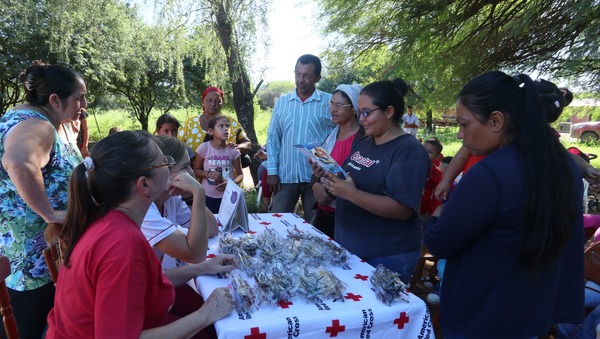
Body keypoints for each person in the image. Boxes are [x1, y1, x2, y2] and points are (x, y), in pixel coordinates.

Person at [424, 72, 584, 338]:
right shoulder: (563, 164)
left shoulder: (491, 173)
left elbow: (441, 243)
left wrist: (437, 216)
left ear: (496, 120)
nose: (461, 134)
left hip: (483, 316)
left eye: (464, 124)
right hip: (532, 313)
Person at [46, 130, 234, 338]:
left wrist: (202, 268)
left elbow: (145, 286)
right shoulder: (123, 244)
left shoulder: (110, 220)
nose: (186, 171)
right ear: (144, 184)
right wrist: (205, 315)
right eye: (164, 161)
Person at [0, 61, 85, 338]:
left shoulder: (29, 119)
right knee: (32, 330)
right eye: (78, 98)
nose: (83, 105)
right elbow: (19, 162)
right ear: (55, 100)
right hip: (33, 260)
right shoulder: (38, 125)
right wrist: (50, 213)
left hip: (26, 254)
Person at [319, 80, 430, 283]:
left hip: (385, 255)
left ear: (389, 112)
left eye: (367, 112)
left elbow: (401, 208)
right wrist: (329, 177)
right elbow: (352, 179)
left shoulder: (408, 150)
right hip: (352, 247)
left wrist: (350, 193)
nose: (362, 119)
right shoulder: (365, 141)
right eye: (360, 112)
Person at [435, 79, 600, 201]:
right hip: (473, 189)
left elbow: (562, 154)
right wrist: (446, 180)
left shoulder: (536, 139)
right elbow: (461, 156)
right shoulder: (487, 136)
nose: (460, 134)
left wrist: (586, 167)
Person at [266, 54, 334, 222]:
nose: (300, 80)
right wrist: (272, 171)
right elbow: (273, 138)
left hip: (317, 177)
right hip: (285, 176)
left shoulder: (329, 103)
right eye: (297, 73)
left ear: (318, 77)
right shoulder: (283, 102)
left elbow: (337, 137)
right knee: (277, 221)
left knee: (316, 225)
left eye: (307, 75)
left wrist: (326, 172)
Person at [310, 84, 363, 239]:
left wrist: (326, 192)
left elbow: (355, 176)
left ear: (353, 109)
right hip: (323, 211)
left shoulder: (362, 139)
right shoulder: (332, 135)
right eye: (331, 104)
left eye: (339, 105)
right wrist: (314, 182)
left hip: (346, 215)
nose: (333, 109)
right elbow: (323, 167)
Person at [178, 86, 252, 164]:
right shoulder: (189, 124)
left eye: (217, 101)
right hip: (194, 174)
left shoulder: (231, 123)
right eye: (209, 100)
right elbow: (177, 147)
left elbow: (248, 144)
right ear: (202, 102)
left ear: (222, 103)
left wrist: (236, 148)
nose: (213, 104)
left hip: (227, 175)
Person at [193, 115, 243, 213]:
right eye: (221, 126)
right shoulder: (204, 148)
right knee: (210, 224)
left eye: (227, 126)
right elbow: (196, 171)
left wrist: (231, 184)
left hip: (229, 195)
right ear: (211, 131)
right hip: (208, 196)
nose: (226, 129)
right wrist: (208, 174)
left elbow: (240, 174)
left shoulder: (233, 150)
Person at [420, 137, 444, 219]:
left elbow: (437, 196)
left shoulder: (436, 173)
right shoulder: (409, 166)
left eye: (429, 152)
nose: (424, 154)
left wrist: (434, 214)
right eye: (423, 149)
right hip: (406, 206)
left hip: (423, 211)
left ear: (437, 157)